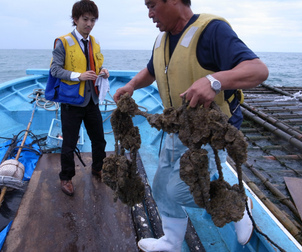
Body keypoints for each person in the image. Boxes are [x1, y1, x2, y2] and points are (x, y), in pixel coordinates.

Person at [113, 0, 269, 251]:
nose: (150, 14)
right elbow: (152, 70)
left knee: (179, 190)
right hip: (176, 127)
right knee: (161, 187)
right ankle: (172, 242)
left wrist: (214, 80)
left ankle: (238, 204)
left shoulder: (212, 30)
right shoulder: (162, 39)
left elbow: (258, 70)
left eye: (152, 5)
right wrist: (131, 85)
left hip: (210, 132)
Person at [48, 0, 109, 196]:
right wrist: (78, 76)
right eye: (85, 19)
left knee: (99, 139)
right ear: (75, 19)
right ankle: (66, 177)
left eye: (93, 20)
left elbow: (96, 67)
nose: (89, 24)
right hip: (71, 103)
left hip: (92, 101)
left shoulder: (95, 42)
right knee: (69, 144)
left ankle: (97, 167)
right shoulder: (63, 42)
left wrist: (103, 72)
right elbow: (55, 70)